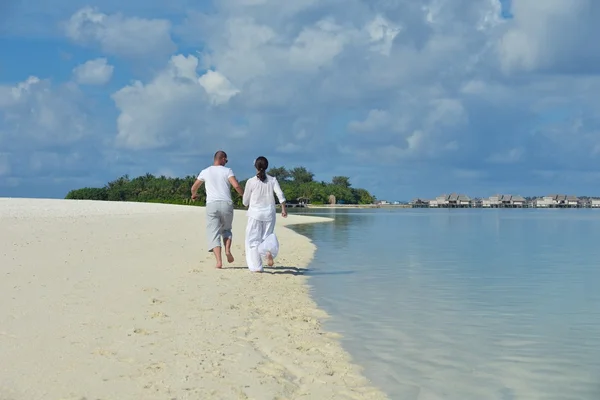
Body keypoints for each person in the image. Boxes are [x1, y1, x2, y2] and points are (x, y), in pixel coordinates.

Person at [191, 150, 244, 269]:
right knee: (227, 229)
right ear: (223, 158)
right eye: (226, 160)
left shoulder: (205, 171)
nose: (227, 162)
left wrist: (194, 195)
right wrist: (244, 196)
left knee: (213, 232)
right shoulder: (227, 171)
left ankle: (219, 261)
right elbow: (236, 185)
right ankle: (227, 250)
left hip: (212, 204)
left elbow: (194, 187)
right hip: (226, 203)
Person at [242, 156, 287, 273]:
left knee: (253, 241)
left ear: (255, 167)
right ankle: (268, 251)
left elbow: (245, 202)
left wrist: (249, 202)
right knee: (267, 237)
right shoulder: (272, 180)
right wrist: (283, 209)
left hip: (255, 214)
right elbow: (280, 194)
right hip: (269, 214)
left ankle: (257, 267)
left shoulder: (251, 182)